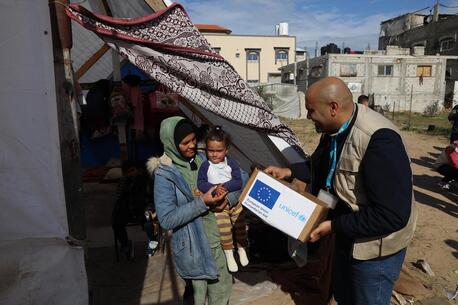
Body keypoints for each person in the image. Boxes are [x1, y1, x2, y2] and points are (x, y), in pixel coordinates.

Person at [265, 77, 416, 305]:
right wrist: (288, 172)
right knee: (345, 295)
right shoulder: (334, 129)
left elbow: (392, 215)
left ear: (333, 108)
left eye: (310, 110)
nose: (307, 117)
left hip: (375, 249)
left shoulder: (379, 141)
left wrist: (333, 225)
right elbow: (321, 165)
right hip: (348, 234)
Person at [147, 116, 232, 305]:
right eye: (185, 142)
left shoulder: (204, 159)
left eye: (194, 140)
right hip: (194, 249)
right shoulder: (165, 174)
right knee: (196, 297)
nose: (192, 145)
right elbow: (167, 219)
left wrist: (227, 200)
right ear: (170, 142)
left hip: (217, 242)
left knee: (222, 293)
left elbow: (235, 180)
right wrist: (203, 202)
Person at [197, 126, 249, 272]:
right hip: (218, 206)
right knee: (224, 230)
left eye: (218, 151)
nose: (214, 154)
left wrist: (223, 186)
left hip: (235, 203)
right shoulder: (205, 166)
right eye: (210, 150)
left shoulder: (231, 163)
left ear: (226, 150)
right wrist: (214, 187)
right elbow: (201, 183)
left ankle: (241, 249)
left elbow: (238, 182)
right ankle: (229, 254)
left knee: (240, 226)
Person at [112, 160, 151, 260]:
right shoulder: (124, 181)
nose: (130, 174)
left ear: (138, 170)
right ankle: (126, 244)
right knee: (116, 222)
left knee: (151, 222)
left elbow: (152, 197)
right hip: (129, 211)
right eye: (127, 172)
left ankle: (153, 243)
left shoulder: (146, 180)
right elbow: (118, 198)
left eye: (132, 170)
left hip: (145, 209)